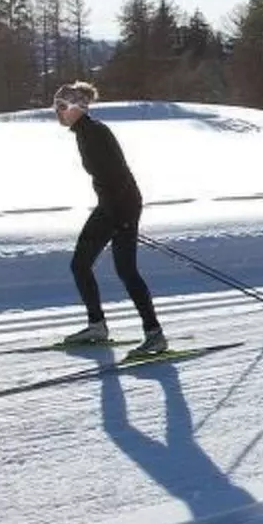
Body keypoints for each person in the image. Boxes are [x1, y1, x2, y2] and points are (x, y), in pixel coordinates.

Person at [53, 81, 166, 357]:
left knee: (125, 270)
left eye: (61, 106)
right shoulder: (84, 132)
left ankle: (154, 335)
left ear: (76, 107)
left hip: (122, 205)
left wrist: (122, 218)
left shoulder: (95, 132)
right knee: (81, 265)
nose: (57, 112)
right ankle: (97, 326)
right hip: (112, 206)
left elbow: (119, 175)